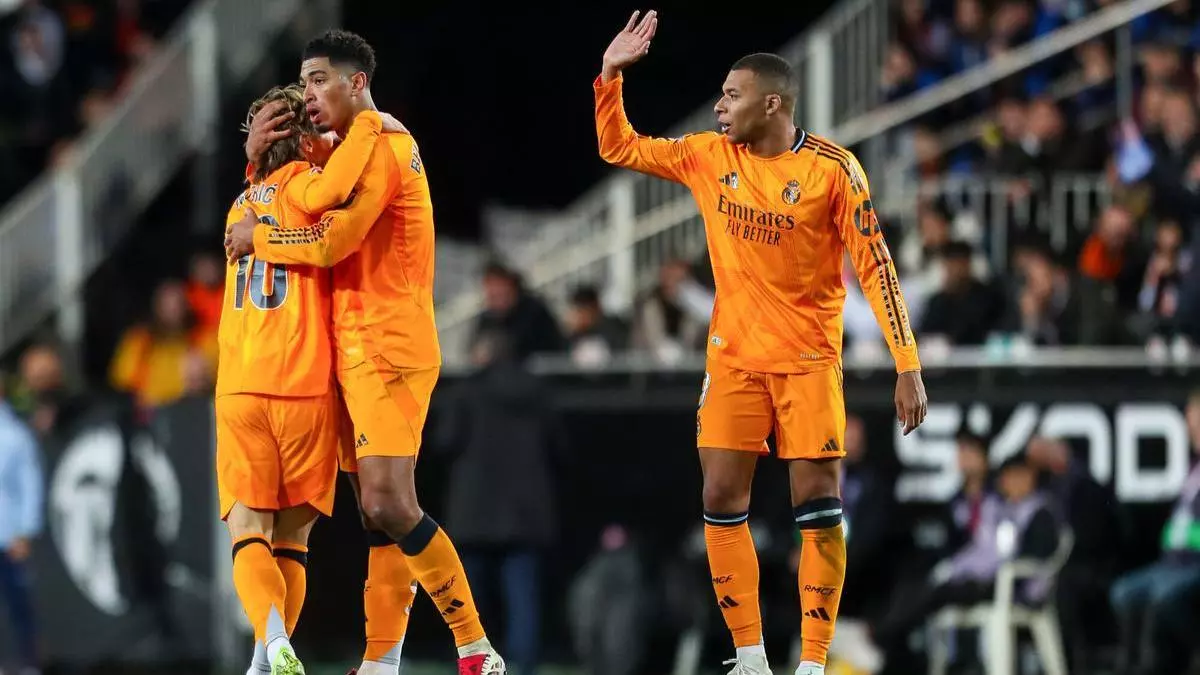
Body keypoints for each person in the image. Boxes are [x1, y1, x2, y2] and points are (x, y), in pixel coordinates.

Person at [594, 11, 928, 675]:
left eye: (731, 95)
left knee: (817, 507)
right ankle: (749, 654)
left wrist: (907, 363)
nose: (719, 107)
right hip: (734, 360)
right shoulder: (708, 155)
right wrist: (610, 78)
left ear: (772, 103)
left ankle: (813, 660)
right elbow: (620, 148)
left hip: (808, 362)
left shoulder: (835, 171)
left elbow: (877, 267)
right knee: (720, 498)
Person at [228, 30, 506, 675]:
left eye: (319, 79)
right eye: (304, 81)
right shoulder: (344, 149)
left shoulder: (384, 143)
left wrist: (258, 237)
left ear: (357, 82)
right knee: (374, 515)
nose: (309, 93)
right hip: (348, 351)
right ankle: (382, 661)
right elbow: (289, 189)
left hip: (389, 346)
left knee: (388, 503)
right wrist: (256, 161)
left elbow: (331, 240)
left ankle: (476, 647)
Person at [217, 82, 387, 675]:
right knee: (293, 542)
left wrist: (255, 163)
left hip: (243, 386)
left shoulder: (239, 208)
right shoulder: (316, 194)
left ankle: (270, 645)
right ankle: (269, 655)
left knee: (248, 532)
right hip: (309, 387)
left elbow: (265, 193)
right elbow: (333, 201)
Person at [0, 374, 43, 675]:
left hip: (8, 538)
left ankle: (28, 663)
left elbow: (30, 484)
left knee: (18, 604)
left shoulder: (13, 434)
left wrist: (25, 531)